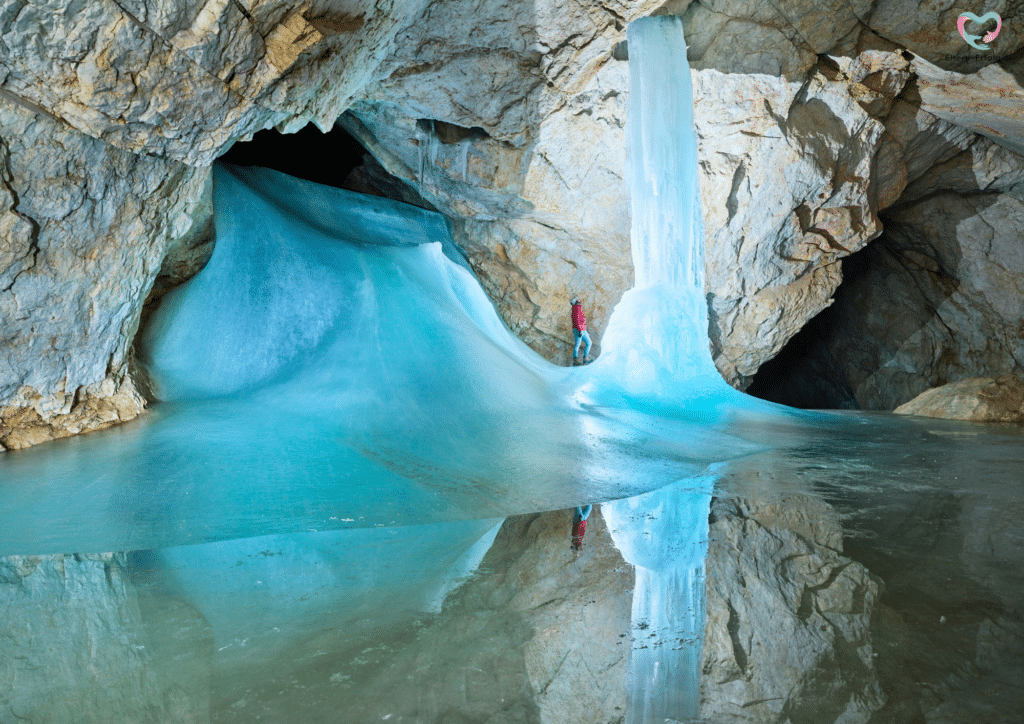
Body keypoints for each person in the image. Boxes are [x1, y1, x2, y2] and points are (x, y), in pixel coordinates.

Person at [571, 296, 592, 365]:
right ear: (576, 302)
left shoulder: (578, 308)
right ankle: (576, 360)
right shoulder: (576, 309)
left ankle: (585, 358)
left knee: (588, 342)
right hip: (578, 329)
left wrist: (583, 330)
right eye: (578, 300)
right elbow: (577, 320)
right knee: (578, 344)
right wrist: (580, 330)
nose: (579, 301)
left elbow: (580, 320)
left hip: (582, 329)